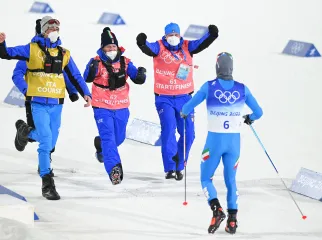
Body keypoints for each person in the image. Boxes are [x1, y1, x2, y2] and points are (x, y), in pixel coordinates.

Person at [0, 16, 92, 200]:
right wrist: (2, 44)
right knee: (45, 139)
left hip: (56, 103)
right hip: (38, 103)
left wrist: (84, 94)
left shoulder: (64, 53)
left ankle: (25, 133)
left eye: (56, 28)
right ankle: (47, 181)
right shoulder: (31, 49)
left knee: (50, 142)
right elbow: (8, 54)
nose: (54, 31)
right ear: (43, 30)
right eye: (50, 28)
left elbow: (74, 75)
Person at [181, 52, 263, 234]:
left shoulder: (209, 86)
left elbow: (188, 106)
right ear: (231, 68)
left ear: (217, 67)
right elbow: (259, 112)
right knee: (231, 180)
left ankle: (216, 209)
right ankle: (232, 221)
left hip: (214, 142)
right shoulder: (242, 88)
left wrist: (184, 112)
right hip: (234, 143)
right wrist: (249, 117)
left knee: (205, 178)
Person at [136, 22, 219, 180]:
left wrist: (212, 34)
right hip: (164, 98)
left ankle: (179, 164)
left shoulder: (188, 46)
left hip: (185, 98)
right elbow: (148, 48)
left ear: (180, 35)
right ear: (165, 36)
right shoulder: (159, 47)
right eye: (170, 35)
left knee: (189, 134)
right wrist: (142, 42)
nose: (173, 37)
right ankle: (169, 168)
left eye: (176, 34)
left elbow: (202, 42)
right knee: (169, 131)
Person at [12, 19, 80, 177]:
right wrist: (26, 90)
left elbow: (63, 73)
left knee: (49, 136)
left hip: (54, 97)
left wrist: (72, 91)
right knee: (45, 135)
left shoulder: (56, 51)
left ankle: (26, 133)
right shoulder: (31, 52)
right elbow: (17, 74)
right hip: (34, 98)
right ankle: (43, 162)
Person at [83, 27, 146, 185]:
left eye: (113, 46)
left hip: (121, 106)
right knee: (109, 138)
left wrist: (140, 75)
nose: (111, 49)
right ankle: (114, 169)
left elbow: (136, 77)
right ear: (102, 48)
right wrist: (90, 70)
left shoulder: (125, 61)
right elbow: (87, 78)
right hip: (101, 106)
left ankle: (101, 148)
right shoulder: (96, 62)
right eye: (108, 47)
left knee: (118, 138)